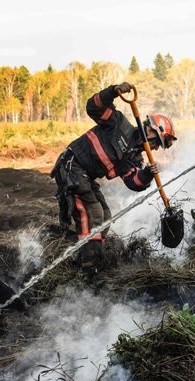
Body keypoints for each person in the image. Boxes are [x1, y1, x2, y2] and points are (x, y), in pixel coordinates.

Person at [50, 82, 176, 274]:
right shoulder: (118, 123)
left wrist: (147, 174)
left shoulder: (134, 157)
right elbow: (93, 107)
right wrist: (113, 91)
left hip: (85, 176)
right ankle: (90, 266)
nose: (157, 148)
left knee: (105, 216)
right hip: (71, 166)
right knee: (93, 213)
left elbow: (133, 182)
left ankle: (86, 253)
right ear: (151, 130)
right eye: (157, 142)